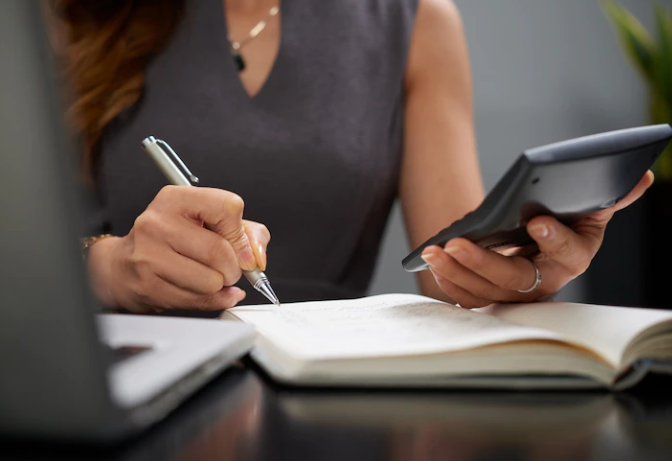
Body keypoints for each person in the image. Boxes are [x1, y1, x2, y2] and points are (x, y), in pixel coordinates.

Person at [49, 0, 653, 313]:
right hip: (127, 376)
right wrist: (109, 267)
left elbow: (455, 266)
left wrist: (534, 265)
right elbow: (8, 259)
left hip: (325, 385)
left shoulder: (416, 19)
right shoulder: (66, 18)